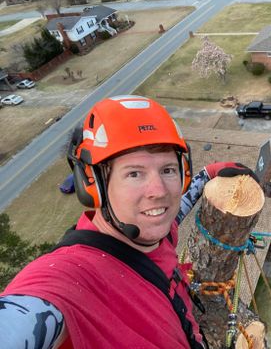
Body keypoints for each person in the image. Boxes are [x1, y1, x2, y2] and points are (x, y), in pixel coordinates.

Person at [0, 96, 256, 348]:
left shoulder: (155, 235)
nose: (159, 191)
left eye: (167, 170)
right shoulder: (72, 276)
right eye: (134, 173)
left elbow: (177, 211)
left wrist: (208, 174)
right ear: (93, 186)